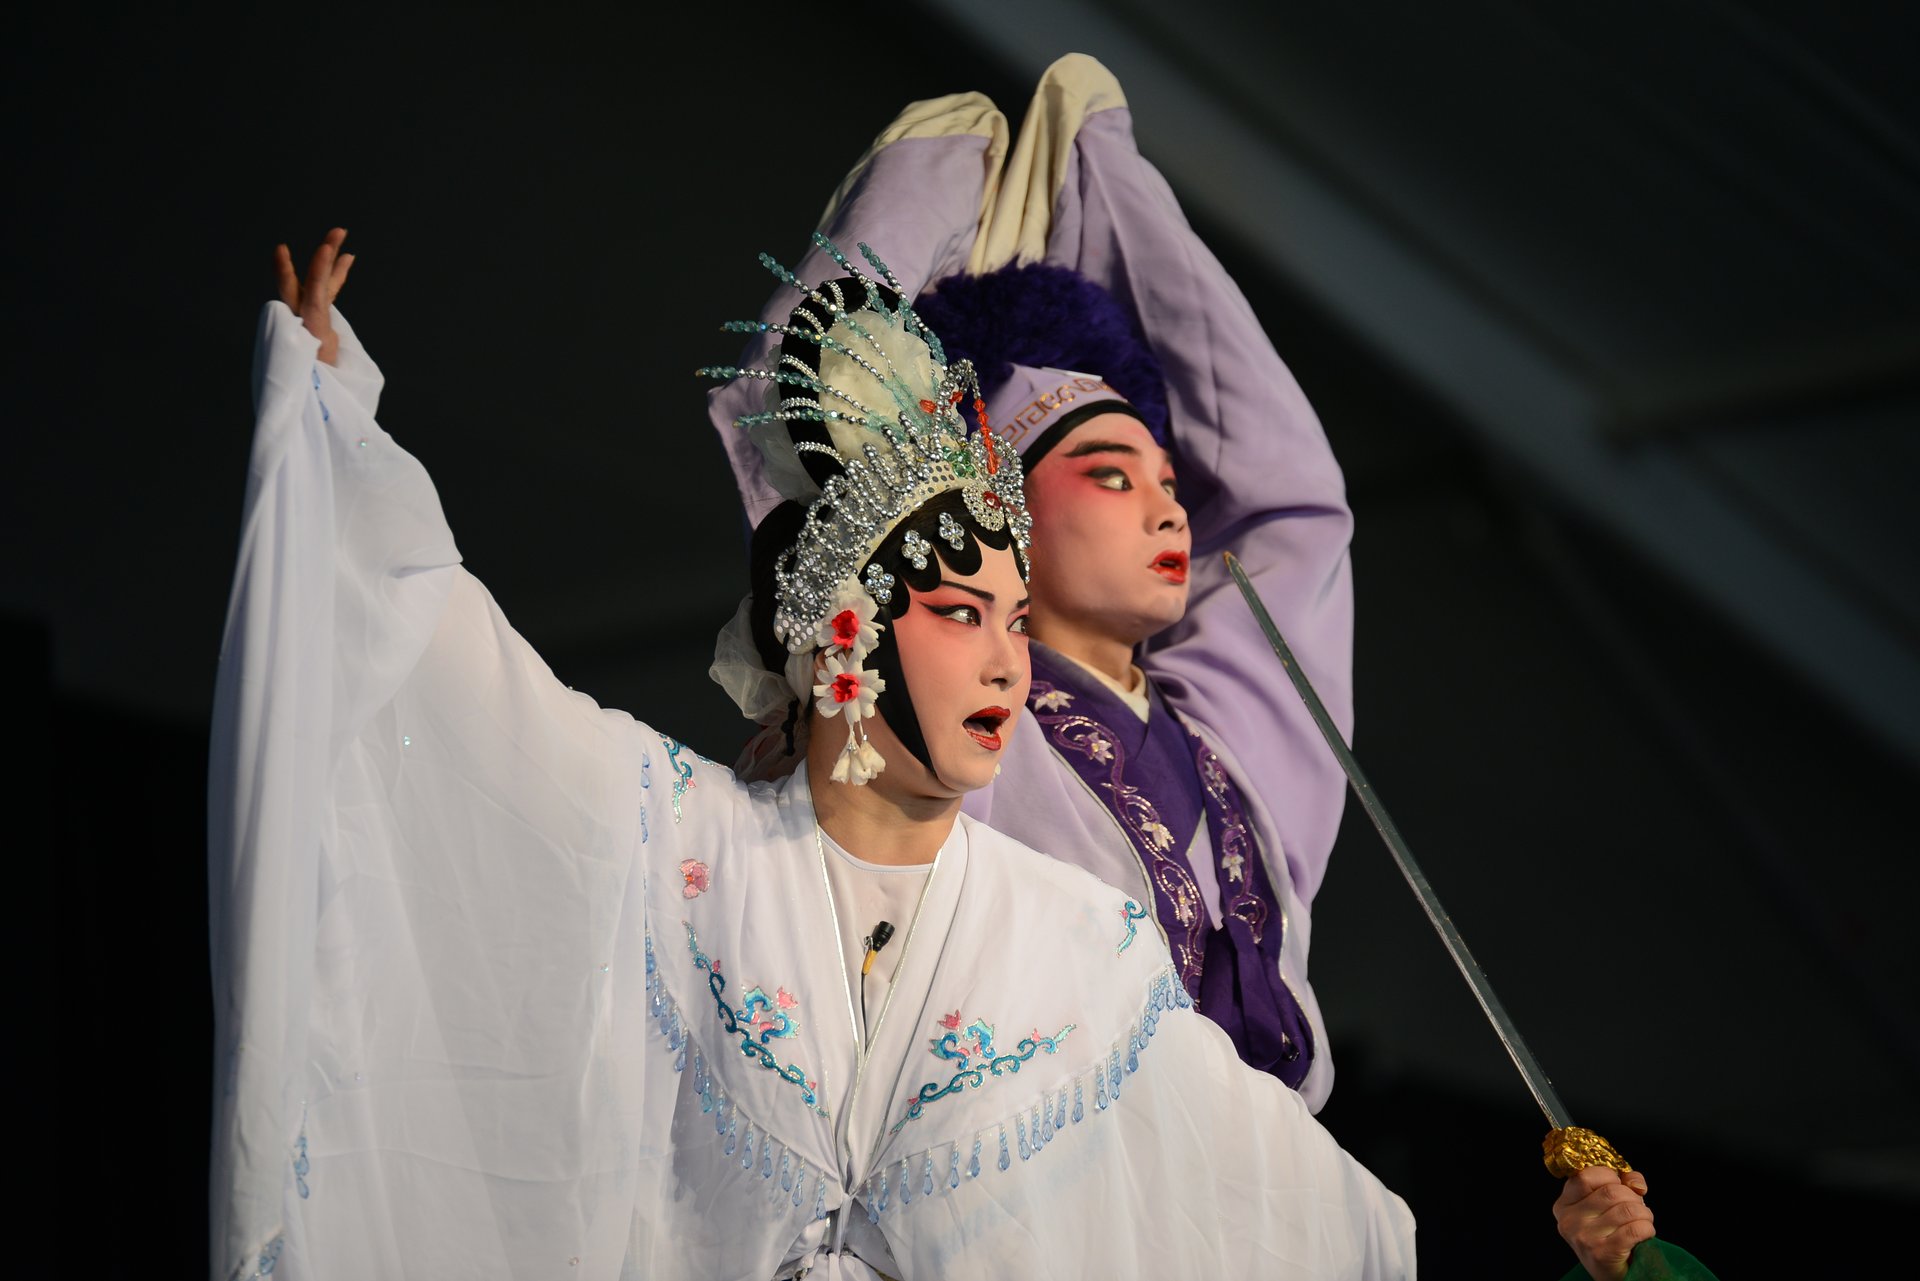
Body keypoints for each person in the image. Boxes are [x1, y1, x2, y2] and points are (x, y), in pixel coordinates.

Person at [210, 226, 1424, 1280]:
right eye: (960, 614)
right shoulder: (675, 836)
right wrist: (335, 435)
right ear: (846, 626)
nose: (1008, 660)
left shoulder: (1080, 948)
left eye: (1015, 618)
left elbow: (1283, 1203)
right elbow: (446, 665)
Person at [710, 55, 1350, 1108]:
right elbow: (812, 412)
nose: (1169, 507)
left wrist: (1119, 198)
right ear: (996, 505)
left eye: (1169, 478)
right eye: (1107, 474)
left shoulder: (1239, 742)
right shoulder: (962, 715)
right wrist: (929, 177)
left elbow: (1293, 509)